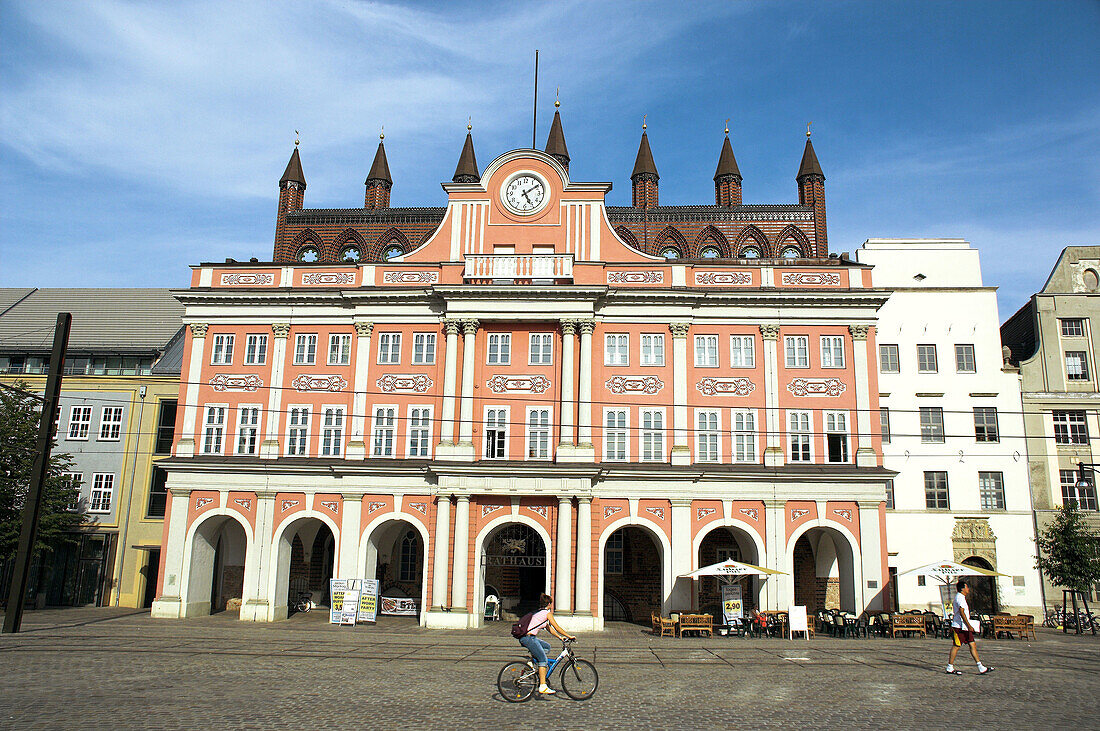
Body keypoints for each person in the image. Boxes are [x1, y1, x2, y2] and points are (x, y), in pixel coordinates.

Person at [518, 593, 576, 695]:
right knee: (543, 659)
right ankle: (543, 686)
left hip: (529, 638)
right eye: (551, 603)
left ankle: (531, 663)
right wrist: (569, 636)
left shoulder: (540, 613)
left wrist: (560, 637)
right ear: (549, 604)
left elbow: (550, 628)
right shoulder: (547, 614)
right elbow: (557, 627)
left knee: (546, 647)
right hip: (528, 638)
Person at [947, 579, 994, 675]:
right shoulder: (959, 598)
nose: (968, 589)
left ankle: (980, 666)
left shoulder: (961, 598)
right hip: (959, 626)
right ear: (962, 589)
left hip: (964, 626)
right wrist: (969, 625)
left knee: (972, 644)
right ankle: (950, 667)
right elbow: (961, 612)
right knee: (956, 646)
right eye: (967, 587)